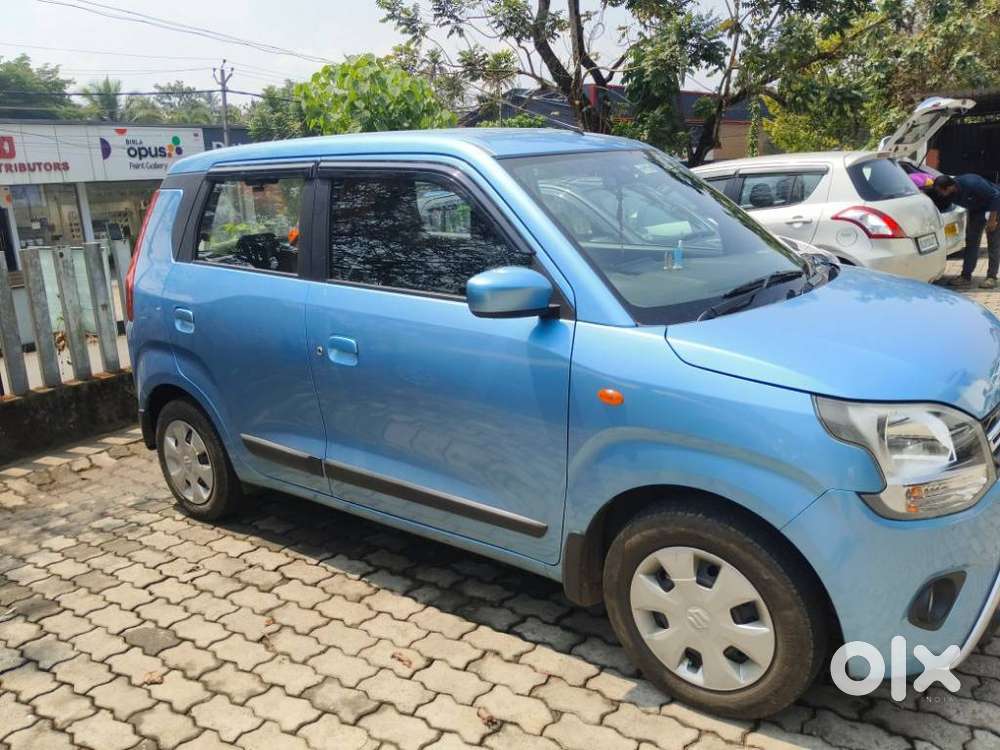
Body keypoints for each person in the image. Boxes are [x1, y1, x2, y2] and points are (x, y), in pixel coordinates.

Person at [931, 174, 1000, 288]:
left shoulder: (972, 183)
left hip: (994, 208)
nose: (940, 194)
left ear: (949, 187)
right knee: (971, 242)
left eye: (941, 191)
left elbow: (996, 196)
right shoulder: (948, 193)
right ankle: (965, 277)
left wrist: (992, 220)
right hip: (976, 211)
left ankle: (991, 277)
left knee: (993, 243)